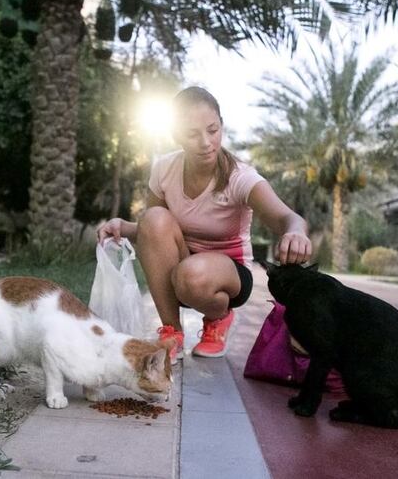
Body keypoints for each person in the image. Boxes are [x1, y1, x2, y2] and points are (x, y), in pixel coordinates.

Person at [97, 86, 311, 363]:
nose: (206, 142)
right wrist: (123, 227)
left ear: (222, 126)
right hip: (181, 267)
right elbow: (154, 233)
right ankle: (171, 333)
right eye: (192, 134)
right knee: (153, 217)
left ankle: (218, 318)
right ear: (176, 136)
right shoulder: (164, 169)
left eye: (212, 130)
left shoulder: (240, 177)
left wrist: (295, 232)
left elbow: (287, 218)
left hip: (226, 277)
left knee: (191, 275)